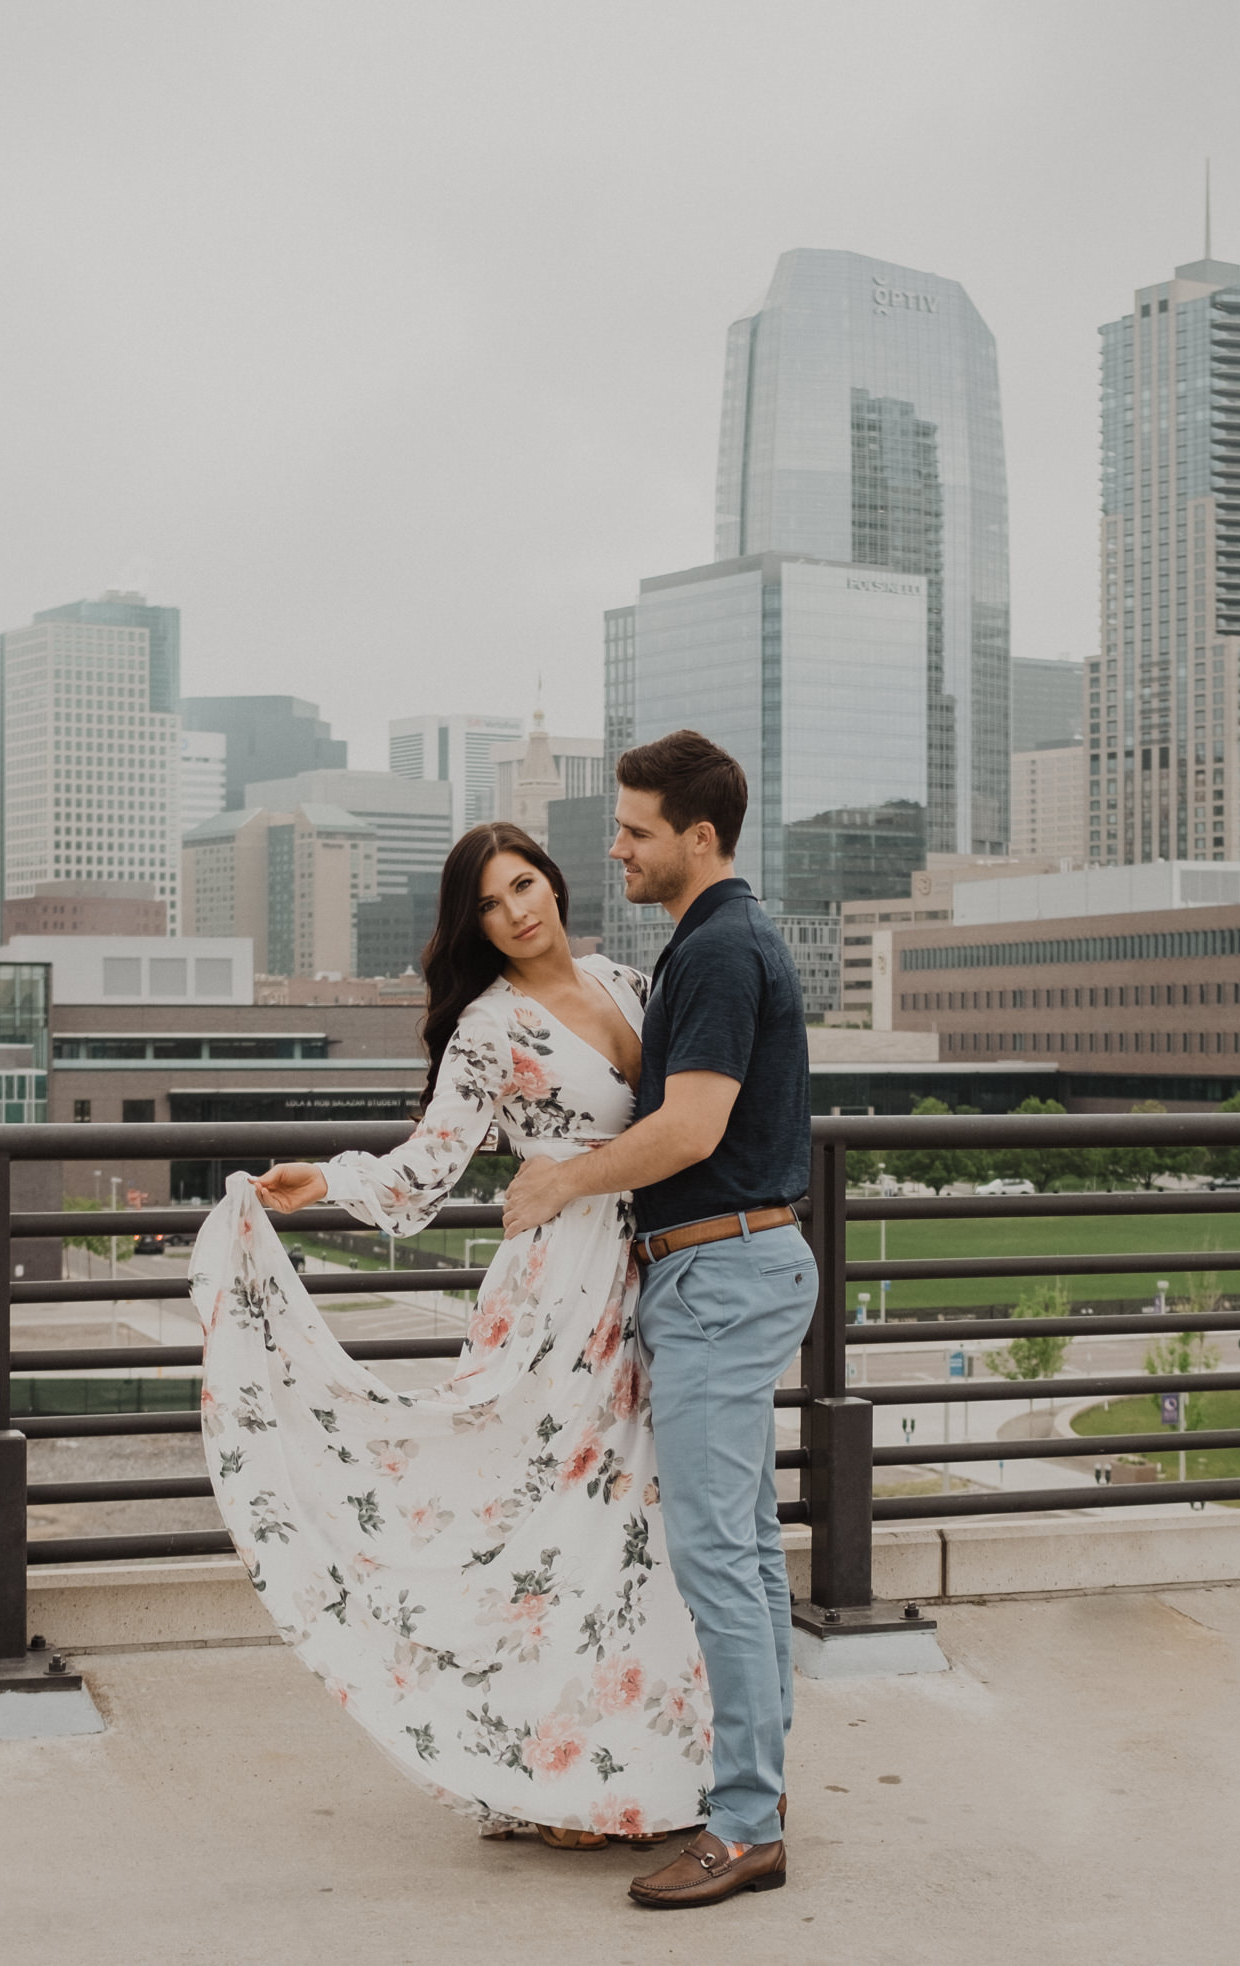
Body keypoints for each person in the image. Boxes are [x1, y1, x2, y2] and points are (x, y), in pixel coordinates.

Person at [189, 820, 712, 1849]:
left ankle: (622, 1760)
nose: (516, 909)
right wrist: (329, 1178)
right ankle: (549, 1775)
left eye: (524, 884)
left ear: (554, 884)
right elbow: (423, 1174)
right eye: (489, 902)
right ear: (474, 924)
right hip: (558, 1286)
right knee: (556, 1527)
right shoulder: (487, 1028)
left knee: (636, 1525)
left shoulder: (630, 983)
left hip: (652, 1266)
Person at [502, 728, 814, 1910]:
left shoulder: (724, 950)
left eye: (634, 829)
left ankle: (741, 1827)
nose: (615, 847)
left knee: (720, 1559)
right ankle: (756, 1799)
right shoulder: (706, 944)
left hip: (724, 1273)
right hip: (726, 1269)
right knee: (744, 1553)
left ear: (699, 834)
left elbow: (689, 1129)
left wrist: (558, 1181)